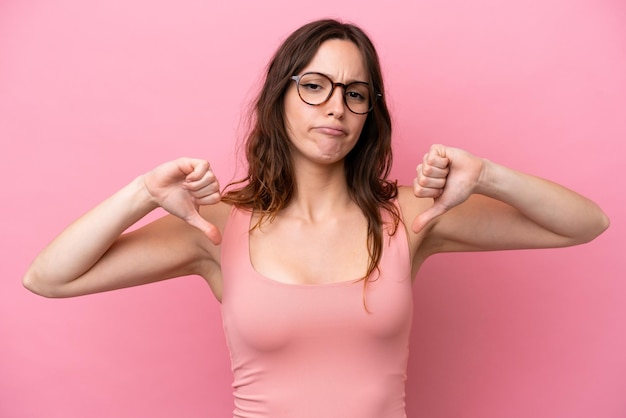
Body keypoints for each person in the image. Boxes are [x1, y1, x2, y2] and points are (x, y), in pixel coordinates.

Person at [23, 19, 609, 418]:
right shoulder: (218, 226)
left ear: (368, 113)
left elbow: (584, 223)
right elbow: (48, 278)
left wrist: (487, 176)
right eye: (316, 86)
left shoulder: (408, 216)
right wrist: (142, 193)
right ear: (280, 97)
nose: (337, 105)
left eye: (357, 92)